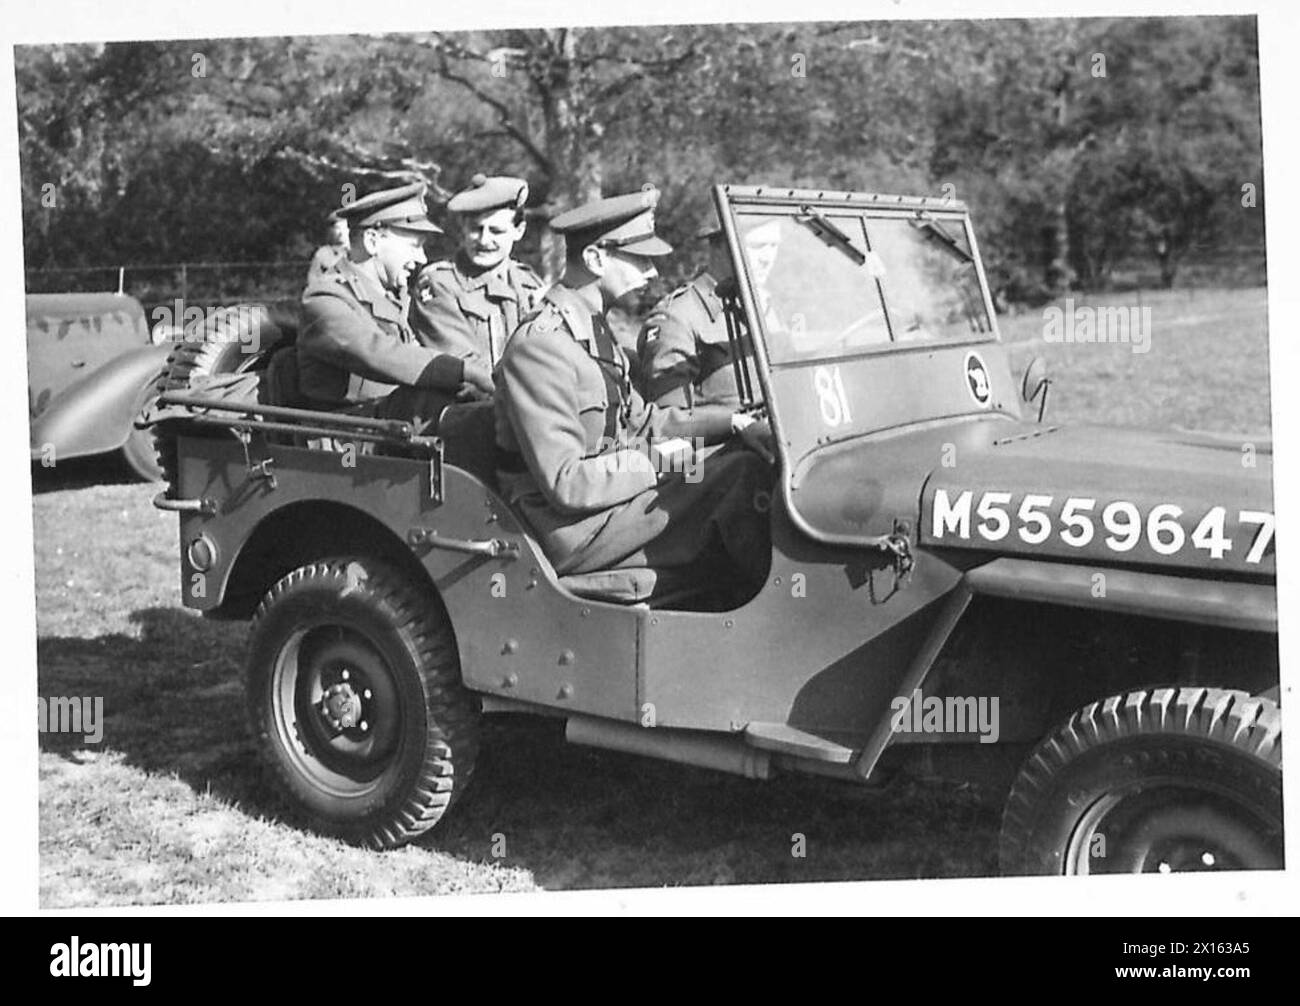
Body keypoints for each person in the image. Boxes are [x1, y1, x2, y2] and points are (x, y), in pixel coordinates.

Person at [493, 187, 773, 588]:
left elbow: (646, 423)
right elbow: (567, 483)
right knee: (740, 478)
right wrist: (663, 461)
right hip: (575, 530)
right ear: (594, 258)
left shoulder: (594, 332)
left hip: (617, 500)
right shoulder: (542, 346)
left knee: (735, 457)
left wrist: (736, 424)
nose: (653, 272)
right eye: (640, 259)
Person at [296, 181, 493, 427]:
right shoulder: (325, 299)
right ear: (372, 241)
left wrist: (469, 383)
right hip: (347, 444)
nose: (421, 258)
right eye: (414, 245)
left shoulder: (398, 296)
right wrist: (462, 371)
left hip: (391, 431)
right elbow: (377, 352)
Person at [410, 174, 545, 388]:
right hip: (464, 413)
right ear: (463, 227)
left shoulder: (530, 283)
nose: (484, 240)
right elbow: (465, 370)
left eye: (496, 231)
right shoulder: (440, 283)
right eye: (475, 229)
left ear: (519, 231)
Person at [637, 219, 743, 409]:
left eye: (773, 246)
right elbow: (671, 425)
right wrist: (737, 425)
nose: (767, 257)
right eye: (757, 246)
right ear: (719, 247)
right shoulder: (676, 317)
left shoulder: (764, 308)